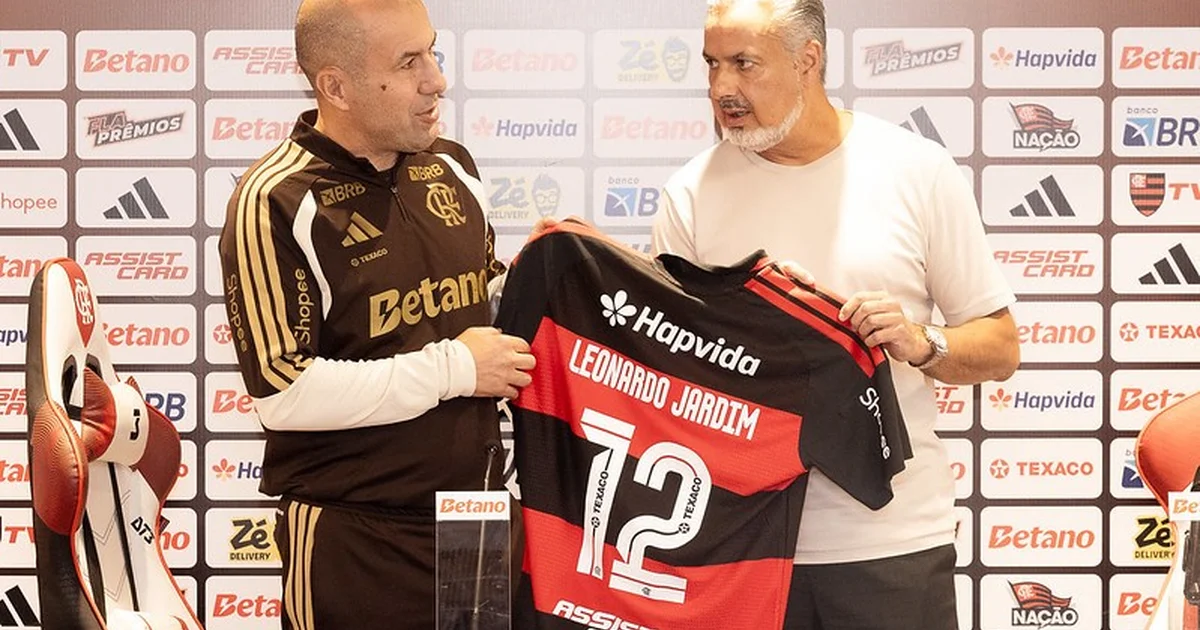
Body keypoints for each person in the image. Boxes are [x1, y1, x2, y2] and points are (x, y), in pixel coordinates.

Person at [651, 1, 1020, 628]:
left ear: (808, 61)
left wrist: (919, 340)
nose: (721, 89)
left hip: (892, 546)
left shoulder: (916, 171)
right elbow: (662, 385)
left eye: (744, 64)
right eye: (712, 64)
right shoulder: (688, 195)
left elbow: (1000, 347)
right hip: (738, 550)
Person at [217, 0, 536, 627]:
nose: (436, 79)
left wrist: (550, 271)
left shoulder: (453, 166)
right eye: (408, 61)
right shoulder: (275, 199)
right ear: (336, 86)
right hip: (356, 533)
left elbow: (477, 310)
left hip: (476, 519)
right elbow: (284, 393)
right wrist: (453, 370)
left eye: (432, 52)